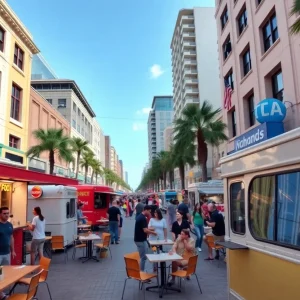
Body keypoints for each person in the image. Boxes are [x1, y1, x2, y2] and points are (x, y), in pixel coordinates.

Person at [134, 205, 157, 271]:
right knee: (143, 257)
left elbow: (144, 228)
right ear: (146, 210)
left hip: (141, 239)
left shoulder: (141, 217)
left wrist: (151, 229)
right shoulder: (143, 218)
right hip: (140, 240)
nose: (150, 213)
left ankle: (144, 270)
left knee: (146, 254)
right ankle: (142, 272)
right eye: (149, 211)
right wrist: (153, 233)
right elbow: (145, 230)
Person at [0, 207, 15, 300]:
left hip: (7, 253)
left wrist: (13, 250)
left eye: (7, 213)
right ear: (0, 214)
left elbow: (11, 238)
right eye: (4, 213)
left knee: (4, 275)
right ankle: (1, 295)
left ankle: (2, 293)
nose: (6, 215)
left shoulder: (10, 225)